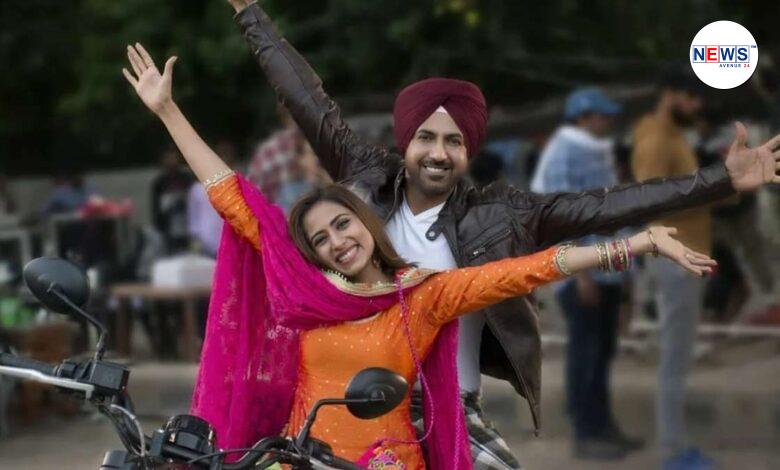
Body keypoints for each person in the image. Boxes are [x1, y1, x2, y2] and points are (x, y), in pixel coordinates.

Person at [224, 1, 780, 468]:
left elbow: (607, 206)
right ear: (405, 142)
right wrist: (250, 12)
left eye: (454, 142)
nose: (439, 153)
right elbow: (307, 99)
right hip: (353, 402)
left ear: (469, 151)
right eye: (425, 138)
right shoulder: (365, 180)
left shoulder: (503, 215)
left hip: (454, 409)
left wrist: (721, 180)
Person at [123, 43, 718, 470]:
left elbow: (532, 267)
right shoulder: (310, 284)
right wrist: (169, 110)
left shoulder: (430, 287)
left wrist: (642, 241)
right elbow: (237, 190)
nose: (337, 242)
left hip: (429, 425)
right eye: (322, 238)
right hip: (305, 451)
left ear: (366, 222)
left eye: (343, 225)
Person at [531, 87, 642, 459]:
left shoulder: (598, 151)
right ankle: (585, 432)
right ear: (582, 116)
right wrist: (580, 276)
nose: (607, 121)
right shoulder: (563, 152)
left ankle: (603, 425)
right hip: (582, 272)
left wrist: (626, 273)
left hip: (608, 269)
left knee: (604, 351)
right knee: (586, 351)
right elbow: (562, 216)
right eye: (600, 115)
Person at [630, 68, 716, 470]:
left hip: (687, 256)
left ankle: (676, 446)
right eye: (692, 98)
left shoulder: (674, 136)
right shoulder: (655, 139)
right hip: (675, 259)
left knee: (678, 358)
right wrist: (717, 186)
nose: (697, 107)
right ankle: (672, 452)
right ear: (670, 94)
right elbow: (650, 201)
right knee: (674, 360)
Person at [151, 147, 194, 253]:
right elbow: (156, 208)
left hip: (186, 223)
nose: (171, 160)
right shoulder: (159, 182)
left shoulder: (187, 178)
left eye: (173, 157)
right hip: (168, 226)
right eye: (168, 157)